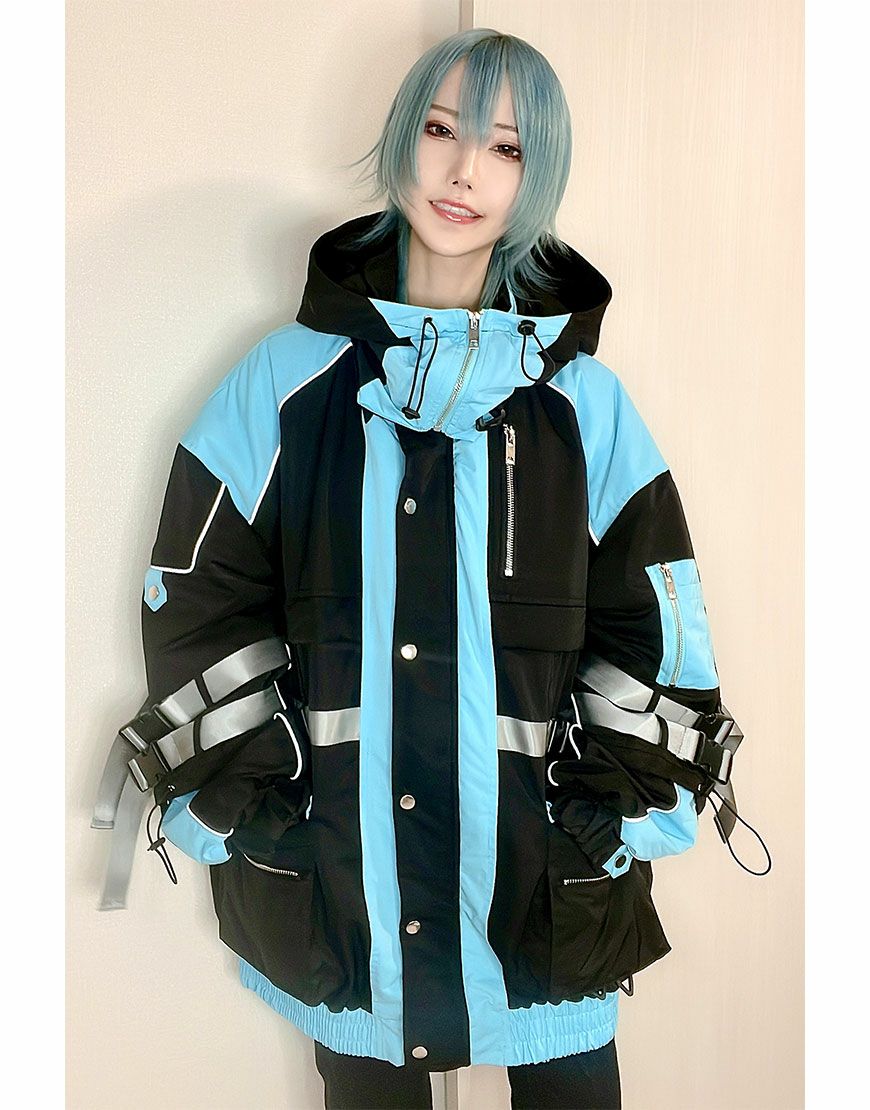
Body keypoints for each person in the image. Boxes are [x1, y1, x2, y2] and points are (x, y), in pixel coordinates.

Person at [98, 26, 744, 1110]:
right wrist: (259, 800)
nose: (464, 171)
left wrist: (606, 809)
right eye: (442, 130)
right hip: (341, 883)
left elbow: (658, 626)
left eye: (506, 147)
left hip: (544, 883)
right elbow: (198, 602)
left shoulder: (584, 407)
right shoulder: (283, 385)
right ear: (402, 140)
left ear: (536, 176)